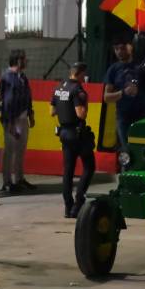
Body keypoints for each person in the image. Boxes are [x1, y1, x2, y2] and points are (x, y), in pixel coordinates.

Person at [51, 62, 95, 218]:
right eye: (84, 74)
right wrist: (86, 103)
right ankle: (79, 200)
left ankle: (68, 207)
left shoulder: (58, 88)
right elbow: (80, 114)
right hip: (77, 133)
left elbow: (52, 111)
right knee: (89, 166)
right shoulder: (78, 90)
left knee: (68, 171)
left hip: (63, 133)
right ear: (80, 74)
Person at [104, 39, 145, 152]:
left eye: (122, 48)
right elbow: (106, 97)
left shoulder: (141, 67)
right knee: (127, 150)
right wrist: (124, 92)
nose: (119, 51)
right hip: (123, 116)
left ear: (130, 47)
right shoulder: (113, 70)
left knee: (143, 149)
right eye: (116, 49)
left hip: (142, 115)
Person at [0, 50, 36, 194]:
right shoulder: (8, 79)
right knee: (9, 151)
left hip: (22, 119)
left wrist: (30, 114)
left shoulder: (22, 77)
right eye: (24, 59)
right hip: (12, 120)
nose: (26, 61)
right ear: (18, 61)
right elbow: (7, 103)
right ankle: (7, 182)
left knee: (20, 150)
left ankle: (19, 179)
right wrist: (10, 123)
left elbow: (28, 97)